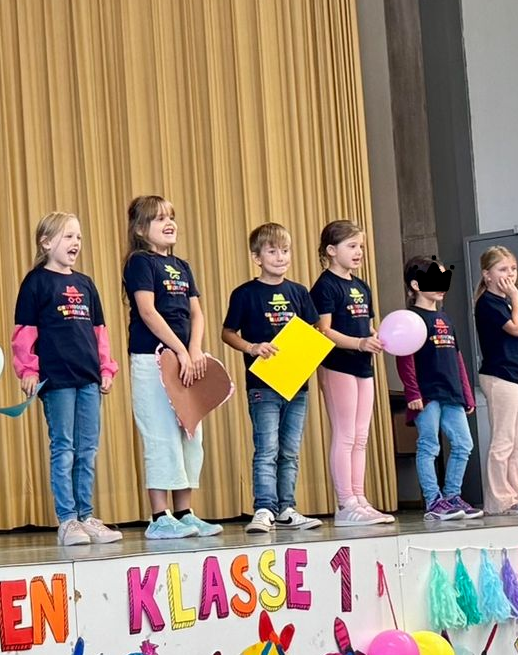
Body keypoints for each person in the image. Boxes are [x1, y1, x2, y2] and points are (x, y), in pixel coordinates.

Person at [13, 212, 119, 545]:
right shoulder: (36, 282)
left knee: (87, 449)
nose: (76, 243)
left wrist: (106, 368)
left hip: (88, 378)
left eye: (78, 237)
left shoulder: (85, 284)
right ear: (46, 243)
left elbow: (99, 332)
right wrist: (28, 369)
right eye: (68, 236)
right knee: (64, 447)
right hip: (57, 379)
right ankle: (68, 519)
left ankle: (86, 515)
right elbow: (24, 332)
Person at [122, 196, 222, 541]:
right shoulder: (140, 262)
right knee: (161, 434)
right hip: (153, 359)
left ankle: (184, 512)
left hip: (185, 361)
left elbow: (196, 313)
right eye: (159, 218)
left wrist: (193, 351)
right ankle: (159, 516)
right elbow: (148, 311)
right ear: (140, 229)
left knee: (190, 433)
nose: (169, 223)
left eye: (171, 217)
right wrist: (179, 349)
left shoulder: (182, 266)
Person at [220, 223, 321, 535]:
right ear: (257, 258)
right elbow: (227, 332)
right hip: (263, 385)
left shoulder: (299, 292)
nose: (280, 257)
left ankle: (286, 508)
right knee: (267, 449)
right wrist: (252, 347)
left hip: (296, 384)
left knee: (289, 450)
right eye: (273, 251)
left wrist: (306, 348)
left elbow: (314, 329)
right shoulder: (245, 294)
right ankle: (264, 508)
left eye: (285, 250)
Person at [311, 219, 392, 527]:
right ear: (332, 251)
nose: (359, 252)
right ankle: (345, 503)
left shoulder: (361, 286)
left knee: (361, 436)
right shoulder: (325, 286)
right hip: (338, 366)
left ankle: (360, 498)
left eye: (361, 246)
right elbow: (324, 330)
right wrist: (359, 343)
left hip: (362, 366)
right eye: (352, 246)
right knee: (345, 435)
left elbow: (367, 324)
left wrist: (375, 336)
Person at [395, 256, 481, 522]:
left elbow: (457, 358)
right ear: (416, 285)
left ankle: (452, 496)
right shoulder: (411, 318)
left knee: (463, 444)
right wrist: (413, 392)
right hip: (427, 394)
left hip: (451, 392)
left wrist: (466, 393)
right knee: (429, 445)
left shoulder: (445, 318)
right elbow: (405, 357)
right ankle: (433, 500)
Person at [475, 245, 518, 516]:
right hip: (500, 376)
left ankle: (517, 492)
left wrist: (513, 298)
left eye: (513, 269)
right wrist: (516, 296)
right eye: (502, 269)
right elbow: (516, 328)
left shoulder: (505, 301)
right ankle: (499, 499)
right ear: (487, 275)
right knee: (503, 440)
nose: (510, 274)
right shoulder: (489, 303)